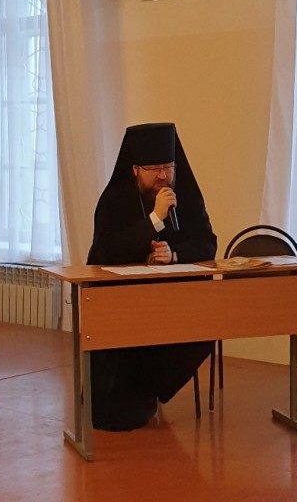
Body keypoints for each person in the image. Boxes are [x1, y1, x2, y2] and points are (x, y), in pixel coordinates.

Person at [87, 122, 217, 430]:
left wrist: (175, 255)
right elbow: (107, 251)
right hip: (124, 303)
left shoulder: (185, 195)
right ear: (135, 170)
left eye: (168, 167)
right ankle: (135, 391)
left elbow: (207, 243)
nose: (162, 176)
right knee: (117, 410)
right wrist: (155, 219)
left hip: (174, 300)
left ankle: (152, 388)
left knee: (206, 325)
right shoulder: (114, 200)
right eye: (153, 169)